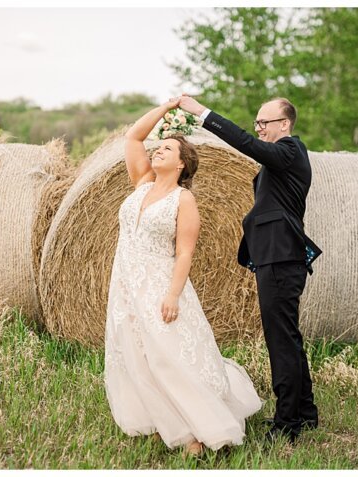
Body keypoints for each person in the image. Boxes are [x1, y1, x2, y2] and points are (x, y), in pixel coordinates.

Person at [104, 99, 262, 455]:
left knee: (168, 355)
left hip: (160, 283)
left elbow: (185, 253)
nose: (158, 150)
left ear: (182, 163)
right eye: (158, 147)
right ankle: (166, 421)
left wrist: (173, 295)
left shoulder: (183, 200)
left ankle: (196, 430)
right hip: (127, 284)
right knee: (138, 355)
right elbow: (132, 137)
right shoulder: (141, 183)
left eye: (167, 149)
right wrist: (167, 107)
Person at [178, 95, 321, 443]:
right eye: (256, 123)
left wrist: (202, 113)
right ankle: (305, 412)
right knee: (288, 336)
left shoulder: (290, 151)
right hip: (277, 257)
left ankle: (287, 423)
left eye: (263, 123)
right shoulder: (283, 160)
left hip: (281, 258)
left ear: (284, 124)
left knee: (280, 340)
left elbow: (244, 144)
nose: (258, 129)